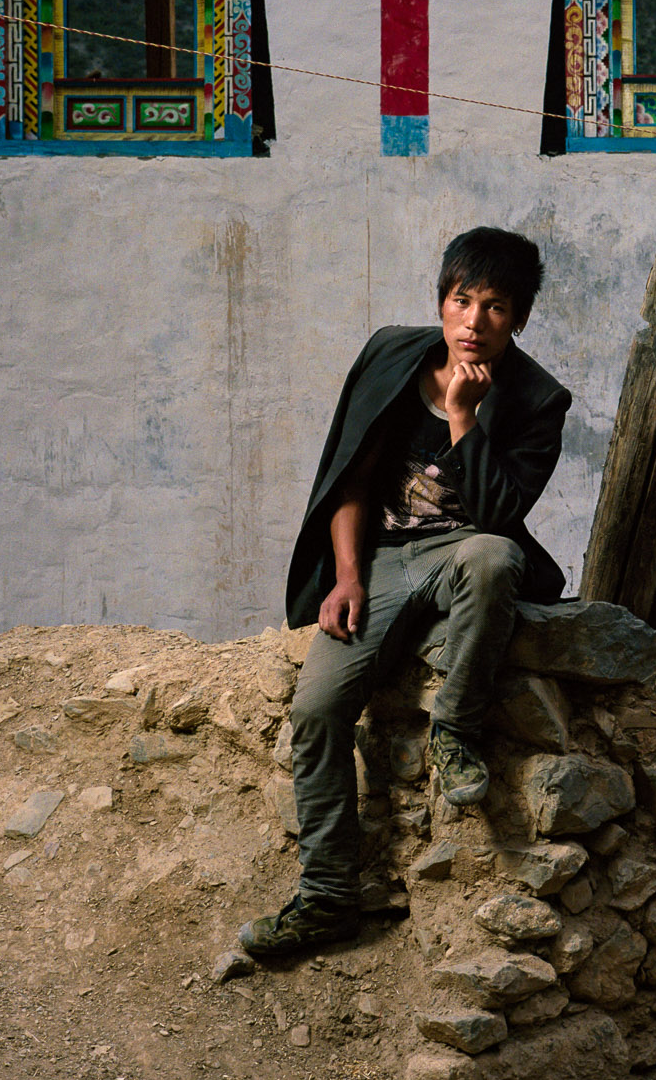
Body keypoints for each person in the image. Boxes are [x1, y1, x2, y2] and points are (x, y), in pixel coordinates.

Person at [239, 227, 571, 959]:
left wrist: (462, 418)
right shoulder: (391, 355)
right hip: (382, 559)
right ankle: (327, 900)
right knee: (319, 710)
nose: (474, 321)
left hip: (461, 549)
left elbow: (498, 516)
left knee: (494, 557)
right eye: (462, 300)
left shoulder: (539, 399)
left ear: (517, 318)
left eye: (494, 307)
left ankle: (455, 729)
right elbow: (349, 479)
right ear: (442, 299)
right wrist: (348, 578)